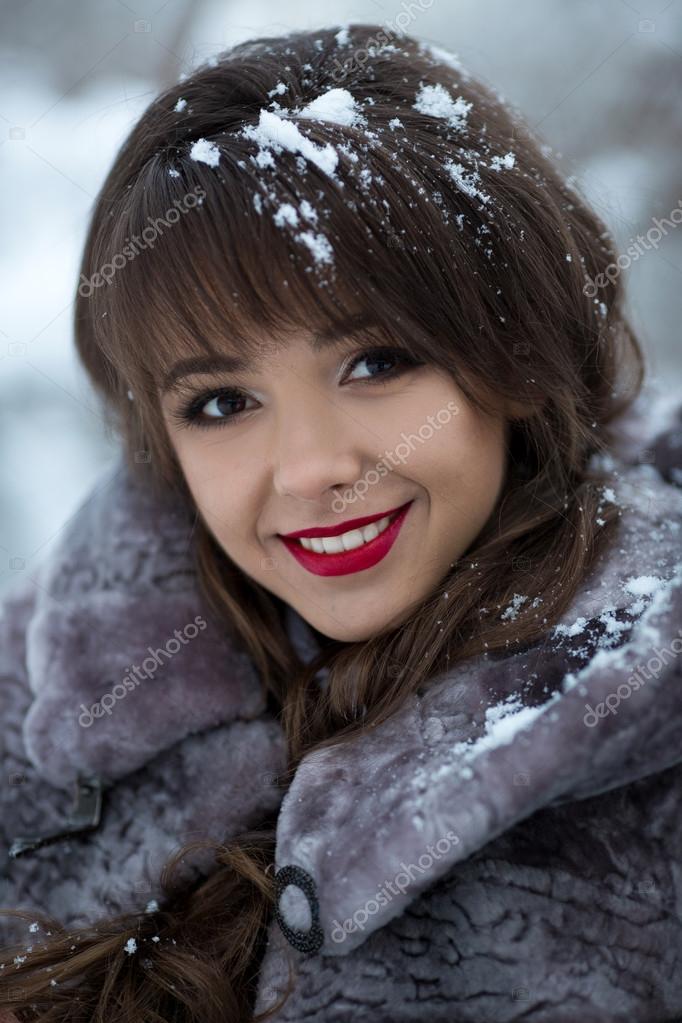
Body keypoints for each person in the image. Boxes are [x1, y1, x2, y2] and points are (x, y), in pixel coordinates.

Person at [1, 21, 681, 1023]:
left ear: (515, 345)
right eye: (222, 402)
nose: (313, 468)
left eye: (376, 363)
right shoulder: (42, 698)